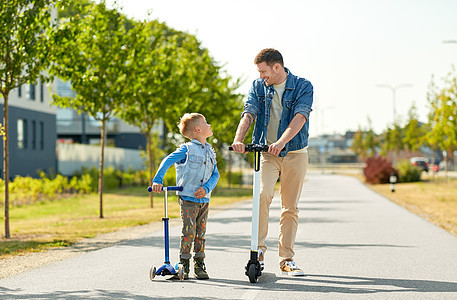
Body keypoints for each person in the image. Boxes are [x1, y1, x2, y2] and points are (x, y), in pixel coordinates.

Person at [231, 48, 313, 276]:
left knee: (290, 207)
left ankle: (286, 259)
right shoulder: (259, 87)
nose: (260, 76)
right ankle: (257, 251)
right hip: (267, 153)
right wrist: (239, 139)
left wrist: (281, 142)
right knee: (262, 196)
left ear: (277, 67)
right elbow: (249, 113)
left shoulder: (303, 86)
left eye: (263, 71)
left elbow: (300, 117)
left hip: (295, 152)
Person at [151, 113, 219, 280]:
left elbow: (215, 174)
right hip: (188, 198)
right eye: (206, 123)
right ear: (198, 129)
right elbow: (167, 161)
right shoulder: (186, 150)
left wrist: (206, 188)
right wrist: (157, 180)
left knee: (201, 232)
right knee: (188, 231)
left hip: (204, 200)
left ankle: (199, 264)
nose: (209, 125)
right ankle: (184, 263)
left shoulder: (210, 150)